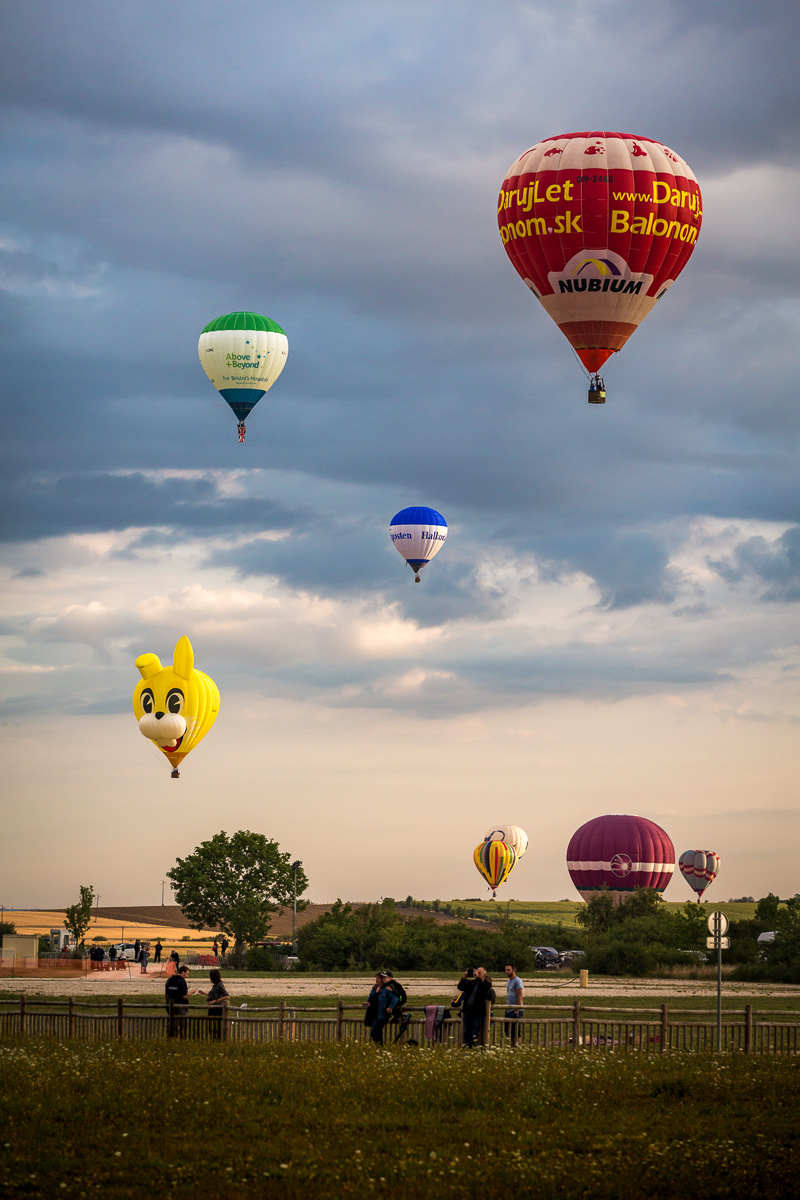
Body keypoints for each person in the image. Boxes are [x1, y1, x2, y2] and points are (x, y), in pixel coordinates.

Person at [197, 968, 229, 1040]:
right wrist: (204, 993)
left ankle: (217, 1038)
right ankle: (213, 1038)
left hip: (217, 1009)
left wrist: (215, 1001)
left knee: (217, 1025)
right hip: (212, 1009)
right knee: (211, 1025)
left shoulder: (220, 985)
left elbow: (226, 996)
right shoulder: (215, 985)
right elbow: (212, 994)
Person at [366, 974, 398, 1045]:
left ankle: (379, 1046)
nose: (376, 980)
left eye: (379, 978)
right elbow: (370, 999)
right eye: (376, 978)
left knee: (374, 1031)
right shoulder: (374, 989)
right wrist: (367, 1004)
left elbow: (395, 998)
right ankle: (380, 1047)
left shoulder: (386, 989)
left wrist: (391, 1007)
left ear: (382, 980)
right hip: (373, 1013)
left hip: (382, 1014)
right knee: (378, 1031)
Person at [165, 965, 195, 1038]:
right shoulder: (182, 981)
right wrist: (191, 992)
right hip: (180, 1006)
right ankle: (182, 1038)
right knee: (183, 1023)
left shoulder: (170, 980)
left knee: (172, 1022)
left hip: (170, 1005)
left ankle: (171, 1037)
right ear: (182, 972)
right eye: (187, 974)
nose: (187, 976)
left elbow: (170, 992)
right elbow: (184, 996)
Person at [381, 970, 410, 1042]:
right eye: (383, 978)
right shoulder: (386, 984)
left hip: (400, 1000)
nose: (384, 979)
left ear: (390, 978)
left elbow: (398, 995)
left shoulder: (394, 984)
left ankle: (405, 1014)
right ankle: (396, 1016)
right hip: (394, 1001)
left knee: (392, 1008)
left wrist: (392, 991)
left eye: (385, 977)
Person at [504, 964, 524, 1047]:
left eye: (508, 970)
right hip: (509, 1009)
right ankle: (512, 1046)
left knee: (516, 1031)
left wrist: (517, 1009)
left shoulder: (517, 981)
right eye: (506, 970)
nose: (507, 972)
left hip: (515, 1010)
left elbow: (520, 996)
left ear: (513, 970)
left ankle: (517, 1047)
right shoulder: (509, 981)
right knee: (508, 1031)